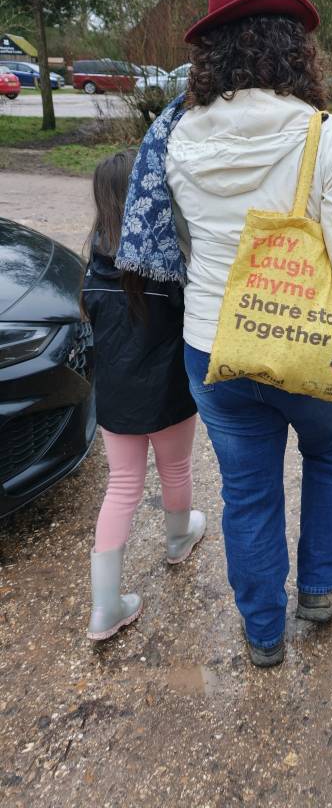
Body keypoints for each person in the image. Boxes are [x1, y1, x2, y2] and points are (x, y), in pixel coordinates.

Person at [116, 0, 332, 667]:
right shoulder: (327, 138)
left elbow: (180, 244)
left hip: (215, 347)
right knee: (329, 458)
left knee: (247, 492)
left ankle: (262, 631)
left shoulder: (178, 139)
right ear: (291, 48)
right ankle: (318, 590)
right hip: (312, 348)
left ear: (211, 53)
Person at [82, 150, 205, 642]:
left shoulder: (93, 267)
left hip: (116, 400)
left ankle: (104, 606)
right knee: (176, 469)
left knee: (122, 486)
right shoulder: (170, 265)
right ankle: (178, 539)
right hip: (169, 394)